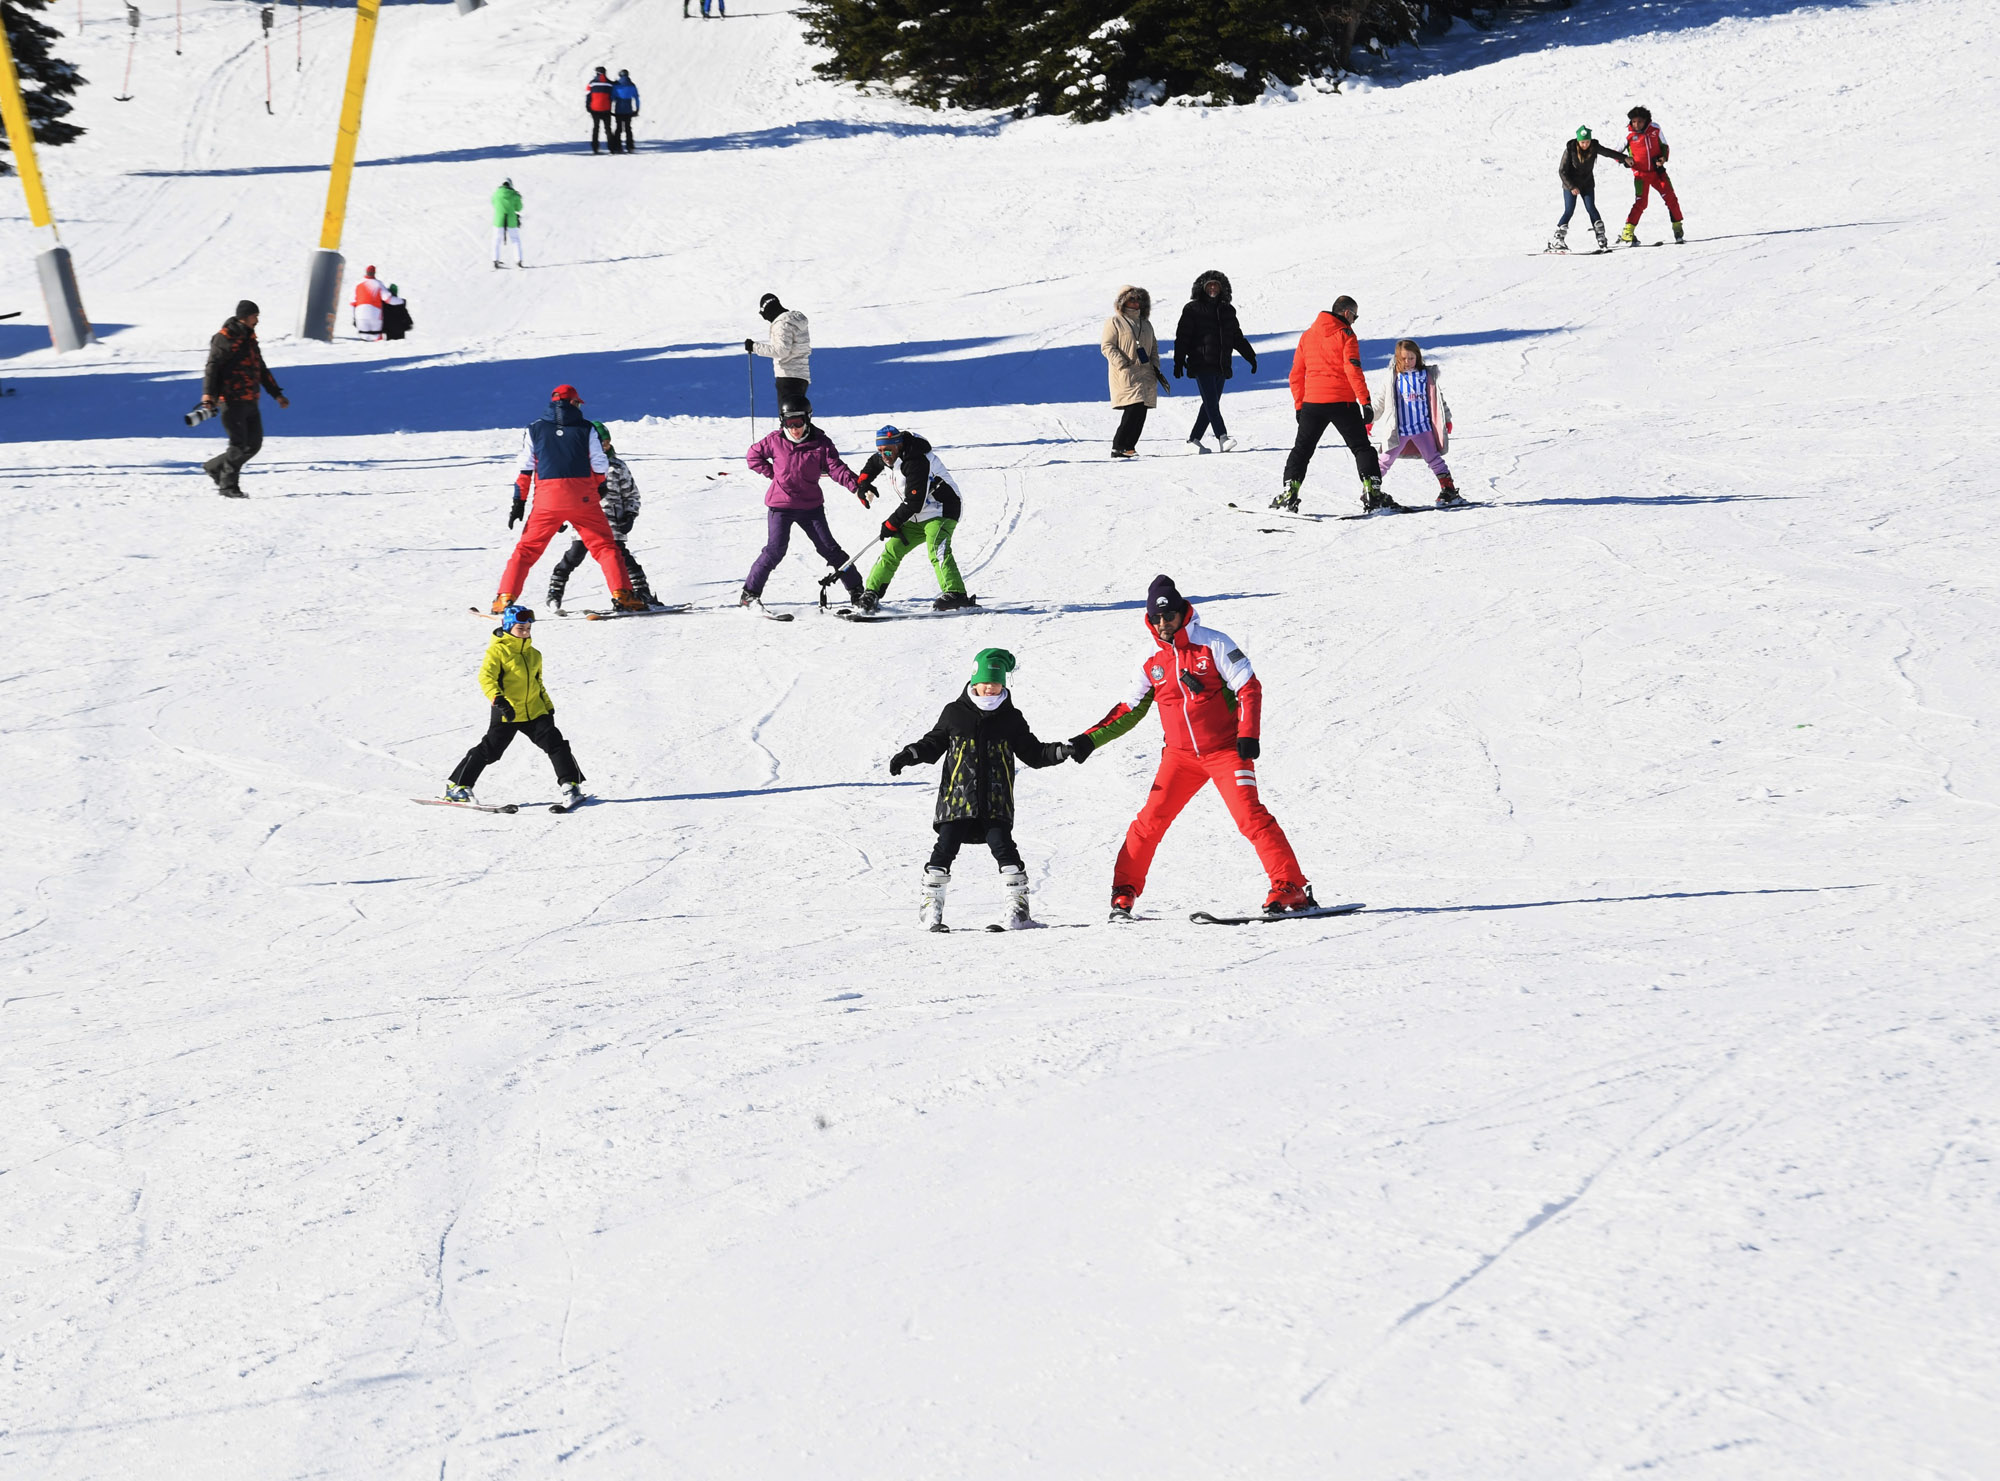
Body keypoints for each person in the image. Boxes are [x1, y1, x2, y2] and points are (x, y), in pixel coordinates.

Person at [1067, 575, 1314, 921]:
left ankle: (1290, 887)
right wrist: (1089, 739)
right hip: (1180, 758)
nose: (1164, 624)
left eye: (1170, 616)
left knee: (1250, 817)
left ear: (1183, 613)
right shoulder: (1149, 659)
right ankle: (1123, 892)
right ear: (1150, 620)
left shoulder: (1212, 643)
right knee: (1150, 821)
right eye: (1157, 618)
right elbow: (1128, 709)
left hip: (1227, 751)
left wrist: (1248, 734)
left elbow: (1248, 687)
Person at [888, 648, 1073, 931]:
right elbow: (933, 743)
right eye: (985, 682)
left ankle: (1018, 911)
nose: (990, 688)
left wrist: (1059, 751)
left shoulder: (1011, 718)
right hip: (956, 801)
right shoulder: (954, 713)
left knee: (1004, 848)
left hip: (995, 802)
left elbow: (1033, 752)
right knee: (944, 849)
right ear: (974, 680)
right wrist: (910, 754)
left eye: (996, 683)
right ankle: (930, 910)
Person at [491, 385, 643, 615]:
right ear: (573, 403)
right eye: (578, 403)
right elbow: (600, 463)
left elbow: (525, 467)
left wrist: (518, 501)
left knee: (526, 550)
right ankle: (623, 595)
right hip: (582, 497)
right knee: (605, 547)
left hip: (547, 501)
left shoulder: (534, 429)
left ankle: (504, 598)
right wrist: (599, 486)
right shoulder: (587, 428)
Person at [443, 605, 586, 810]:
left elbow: (538, 682)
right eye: (521, 628)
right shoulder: (497, 651)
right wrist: (498, 699)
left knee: (557, 744)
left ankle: (571, 786)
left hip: (535, 710)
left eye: (528, 628)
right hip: (507, 711)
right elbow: (486, 678)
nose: (526, 632)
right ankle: (457, 787)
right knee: (490, 751)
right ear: (509, 627)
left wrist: (547, 706)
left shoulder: (534, 654)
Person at [740, 396, 866, 611]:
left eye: (799, 422)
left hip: (810, 507)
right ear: (782, 422)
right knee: (774, 550)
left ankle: (858, 592)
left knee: (830, 549)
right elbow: (753, 457)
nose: (795, 428)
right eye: (789, 423)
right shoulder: (775, 440)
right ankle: (749, 595)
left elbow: (836, 468)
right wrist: (774, 474)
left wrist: (857, 486)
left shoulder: (820, 443)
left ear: (808, 419)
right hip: (781, 506)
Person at [1276, 294, 1385, 514]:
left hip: (1312, 403)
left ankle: (1290, 493)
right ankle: (1372, 492)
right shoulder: (1346, 335)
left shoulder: (1307, 336)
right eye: (1355, 316)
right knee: (1361, 448)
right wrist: (1365, 402)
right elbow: (1352, 369)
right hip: (1342, 402)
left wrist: (1299, 405)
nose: (1354, 320)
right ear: (1346, 313)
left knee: (1302, 450)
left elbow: (1296, 374)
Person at [851, 425, 973, 612]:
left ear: (898, 445)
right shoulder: (887, 456)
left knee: (936, 548)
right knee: (892, 550)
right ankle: (871, 593)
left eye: (888, 450)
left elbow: (914, 502)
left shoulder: (916, 460)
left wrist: (891, 523)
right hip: (916, 515)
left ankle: (956, 593)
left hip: (941, 511)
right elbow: (872, 464)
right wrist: (863, 484)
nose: (884, 455)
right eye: (881, 450)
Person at [549, 421, 658, 610]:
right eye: (601, 443)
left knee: (622, 557)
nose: (605, 446)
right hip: (584, 522)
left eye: (607, 442)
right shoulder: (577, 467)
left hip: (612, 523)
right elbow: (565, 495)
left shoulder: (617, 466)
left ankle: (642, 593)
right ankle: (554, 593)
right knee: (574, 555)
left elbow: (631, 493)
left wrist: (630, 515)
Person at [199, 300, 289, 498]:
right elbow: (212, 367)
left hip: (250, 399)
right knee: (238, 445)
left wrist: (277, 394)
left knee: (253, 444)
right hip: (231, 399)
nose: (257, 320)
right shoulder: (225, 338)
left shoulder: (249, 339)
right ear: (245, 316)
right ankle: (228, 487)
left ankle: (215, 468)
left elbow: (261, 370)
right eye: (255, 316)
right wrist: (208, 394)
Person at [1172, 270, 1257, 452]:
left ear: (1222, 288)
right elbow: (1183, 336)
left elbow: (1236, 337)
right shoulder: (1192, 309)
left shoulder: (1227, 311)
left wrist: (1250, 356)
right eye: (1209, 285)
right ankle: (1222, 437)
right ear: (1202, 288)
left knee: (1211, 404)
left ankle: (1193, 440)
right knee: (1211, 402)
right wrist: (1179, 359)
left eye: (1216, 285)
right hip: (1201, 362)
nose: (1212, 288)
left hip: (1221, 364)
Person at [1372, 339, 1463, 507]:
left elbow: (1439, 401)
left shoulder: (1426, 376)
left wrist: (1447, 419)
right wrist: (1369, 419)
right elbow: (1380, 401)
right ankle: (1371, 492)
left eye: (1412, 358)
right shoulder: (1393, 377)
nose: (1408, 362)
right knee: (1384, 461)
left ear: (1418, 357)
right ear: (1397, 359)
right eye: (1404, 359)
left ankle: (1448, 490)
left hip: (1422, 428)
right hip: (1399, 431)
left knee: (1434, 458)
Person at [1101, 284, 1168, 459]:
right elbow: (1107, 346)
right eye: (1132, 298)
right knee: (1133, 408)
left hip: (1146, 372)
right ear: (1123, 300)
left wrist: (1155, 365)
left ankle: (1129, 447)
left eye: (1139, 299)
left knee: (1142, 409)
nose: (1135, 302)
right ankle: (1119, 446)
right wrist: (1122, 363)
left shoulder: (1146, 324)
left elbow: (1153, 347)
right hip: (1127, 372)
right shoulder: (1115, 321)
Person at [1552, 126, 1630, 254]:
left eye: (1587, 142)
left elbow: (1608, 153)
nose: (1585, 145)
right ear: (1578, 141)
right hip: (1570, 185)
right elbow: (1562, 171)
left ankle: (1601, 237)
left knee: (1591, 208)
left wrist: (1624, 158)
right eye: (1582, 142)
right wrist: (1572, 187)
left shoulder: (1594, 147)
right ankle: (1557, 239)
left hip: (1587, 184)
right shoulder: (1570, 149)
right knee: (1569, 210)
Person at [1619, 105, 1685, 245]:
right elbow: (1616, 152)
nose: (1636, 124)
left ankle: (1677, 227)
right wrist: (1625, 160)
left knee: (1671, 199)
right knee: (1641, 202)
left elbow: (1664, 146)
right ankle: (1627, 232)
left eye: (1640, 121)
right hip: (1640, 176)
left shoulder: (1655, 128)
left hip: (1658, 173)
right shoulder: (1628, 134)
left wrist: (1663, 158)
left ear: (1646, 120)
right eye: (1633, 122)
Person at [746, 292, 810, 407]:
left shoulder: (782, 324)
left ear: (769, 310)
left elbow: (781, 351)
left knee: (788, 418)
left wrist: (754, 347)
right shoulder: (796, 321)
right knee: (799, 416)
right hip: (801, 376)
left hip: (787, 376)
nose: (766, 319)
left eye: (765, 315)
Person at [492, 178, 524, 269]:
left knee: (496, 240)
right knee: (515, 240)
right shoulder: (514, 194)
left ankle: (495, 260)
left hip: (498, 220)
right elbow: (519, 208)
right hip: (511, 220)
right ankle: (518, 261)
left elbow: (493, 203)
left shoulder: (496, 193)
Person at [586, 67, 617, 154]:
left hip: (595, 109)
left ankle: (595, 148)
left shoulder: (592, 83)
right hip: (606, 109)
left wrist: (588, 106)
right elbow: (613, 96)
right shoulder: (609, 83)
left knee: (596, 128)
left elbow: (588, 94)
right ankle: (611, 148)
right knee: (608, 128)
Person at [351, 264, 384, 341]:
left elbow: (352, 302)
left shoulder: (358, 283)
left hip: (360, 314)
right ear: (374, 272)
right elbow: (387, 298)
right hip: (375, 314)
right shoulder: (378, 284)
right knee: (376, 337)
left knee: (364, 337)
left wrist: (354, 318)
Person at [611, 69, 640, 154]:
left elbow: (612, 98)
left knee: (618, 128)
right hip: (628, 110)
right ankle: (630, 146)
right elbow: (636, 98)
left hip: (619, 110)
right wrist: (637, 109)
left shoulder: (616, 85)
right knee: (628, 128)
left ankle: (618, 146)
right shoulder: (632, 85)